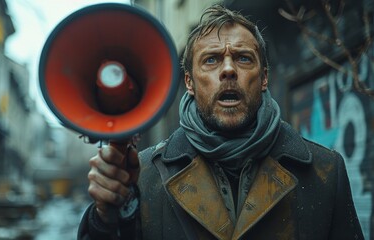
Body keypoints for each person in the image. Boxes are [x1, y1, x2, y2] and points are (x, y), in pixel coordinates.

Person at [78, 4, 364, 240]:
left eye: (243, 58)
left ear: (264, 78)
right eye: (212, 60)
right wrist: (104, 217)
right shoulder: (142, 176)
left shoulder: (325, 171)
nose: (228, 70)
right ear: (189, 82)